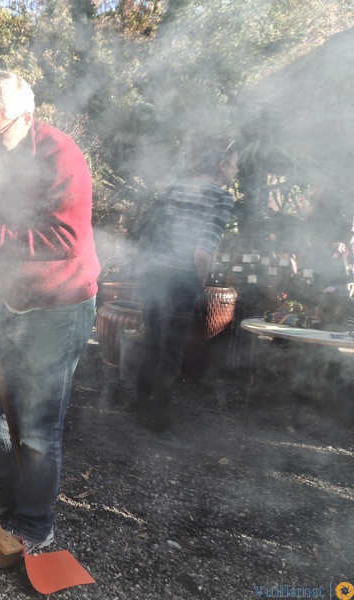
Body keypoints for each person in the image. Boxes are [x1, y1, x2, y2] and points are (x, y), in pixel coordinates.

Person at [0, 71, 100, 553]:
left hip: (60, 304)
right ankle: (10, 502)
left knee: (38, 427)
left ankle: (37, 526)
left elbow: (65, 240)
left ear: (27, 117)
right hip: (11, 300)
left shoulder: (61, 156)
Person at [133, 136, 238, 449]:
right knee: (171, 352)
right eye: (234, 164)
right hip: (180, 278)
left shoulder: (174, 187)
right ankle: (159, 425)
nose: (236, 170)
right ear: (221, 165)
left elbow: (147, 232)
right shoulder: (221, 197)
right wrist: (199, 282)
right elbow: (202, 251)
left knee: (151, 343)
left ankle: (140, 410)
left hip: (151, 272)